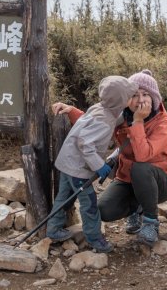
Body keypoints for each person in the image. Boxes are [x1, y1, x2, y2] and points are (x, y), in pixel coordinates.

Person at [52, 69, 167, 247]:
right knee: (103, 210)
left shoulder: (164, 123)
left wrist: (138, 122)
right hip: (128, 179)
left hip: (160, 180)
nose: (141, 100)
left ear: (155, 98)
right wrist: (71, 111)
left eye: (146, 95)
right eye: (135, 95)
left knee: (140, 168)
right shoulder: (122, 115)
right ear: (127, 99)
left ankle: (150, 222)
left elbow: (143, 156)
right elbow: (98, 121)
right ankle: (136, 208)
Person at [46, 75, 138, 253]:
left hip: (67, 162)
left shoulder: (102, 110)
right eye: (130, 96)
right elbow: (85, 143)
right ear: (121, 101)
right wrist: (99, 166)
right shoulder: (103, 121)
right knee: (88, 203)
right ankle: (95, 238)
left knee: (63, 198)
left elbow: (112, 119)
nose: (133, 98)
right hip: (78, 169)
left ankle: (53, 229)